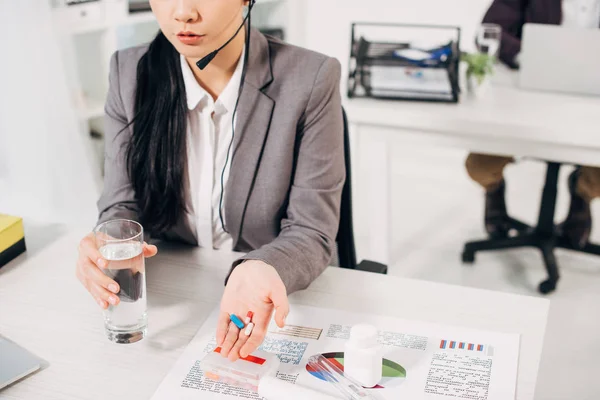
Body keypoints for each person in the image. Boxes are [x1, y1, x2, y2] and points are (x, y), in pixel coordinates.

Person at [75, 0, 344, 362]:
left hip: (276, 306)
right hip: (173, 304)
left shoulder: (311, 78)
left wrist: (263, 267)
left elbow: (313, 230)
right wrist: (106, 240)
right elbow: (121, 204)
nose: (184, 12)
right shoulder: (129, 72)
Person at [466, 0, 600, 246]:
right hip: (531, 95)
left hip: (594, 102)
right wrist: (531, 57)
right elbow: (491, 29)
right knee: (479, 165)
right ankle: (494, 191)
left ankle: (583, 193)